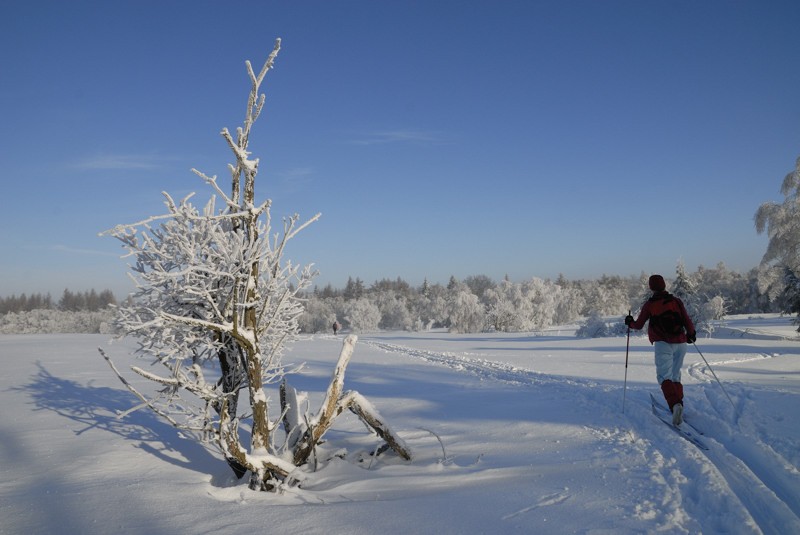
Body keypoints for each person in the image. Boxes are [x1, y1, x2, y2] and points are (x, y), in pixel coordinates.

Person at [625, 274, 697, 425]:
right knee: (675, 376)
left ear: (651, 287)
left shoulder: (650, 304)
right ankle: (678, 404)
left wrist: (630, 322)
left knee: (664, 377)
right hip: (681, 342)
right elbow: (687, 320)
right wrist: (691, 334)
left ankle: (675, 405)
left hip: (663, 343)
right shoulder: (676, 301)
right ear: (664, 285)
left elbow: (638, 325)